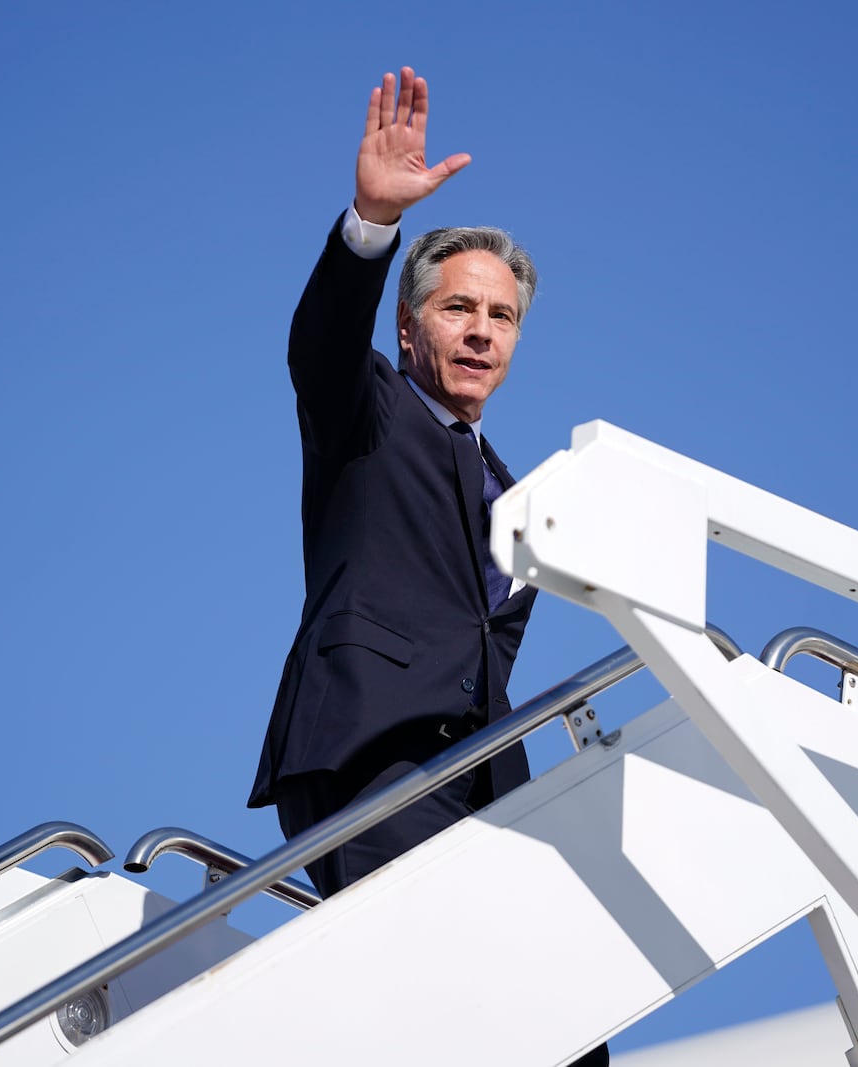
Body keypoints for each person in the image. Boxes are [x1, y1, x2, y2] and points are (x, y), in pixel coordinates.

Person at [247, 66, 611, 1067]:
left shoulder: (513, 489)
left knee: (571, 1022)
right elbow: (319, 343)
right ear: (410, 327)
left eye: (500, 318)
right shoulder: (369, 412)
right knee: (440, 1001)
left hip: (483, 779)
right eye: (458, 309)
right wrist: (371, 220)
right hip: (373, 756)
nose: (481, 331)